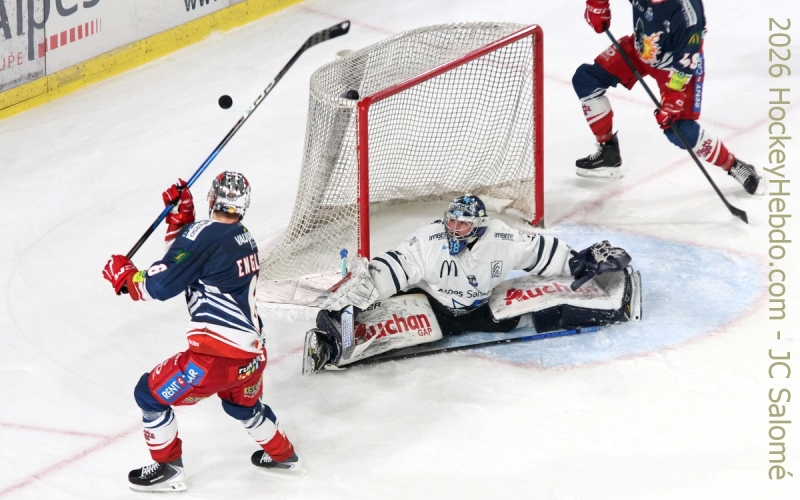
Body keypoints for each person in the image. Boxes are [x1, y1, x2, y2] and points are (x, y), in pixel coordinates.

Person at [102, 172, 303, 493]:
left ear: (212, 198)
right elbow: (188, 259)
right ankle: (284, 456)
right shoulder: (241, 235)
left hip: (214, 358)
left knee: (148, 395)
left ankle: (167, 468)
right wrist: (182, 220)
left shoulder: (204, 237)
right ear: (243, 206)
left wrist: (127, 277)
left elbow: (162, 285)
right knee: (244, 408)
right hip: (252, 355)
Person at [304, 195, 641, 372]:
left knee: (537, 307)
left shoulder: (502, 238)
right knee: (397, 331)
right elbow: (398, 265)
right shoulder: (430, 240)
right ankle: (333, 345)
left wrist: (577, 261)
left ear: (478, 227)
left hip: (481, 308)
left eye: (463, 225)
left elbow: (538, 252)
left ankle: (610, 305)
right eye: (451, 221)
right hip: (433, 308)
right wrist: (364, 290)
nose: (454, 229)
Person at [573, 0, 764, 195]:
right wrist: (597, 3)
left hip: (677, 68)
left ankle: (733, 165)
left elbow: (687, 61)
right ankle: (608, 153)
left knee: (679, 130)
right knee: (586, 80)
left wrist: (673, 98)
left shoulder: (688, 13)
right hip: (644, 48)